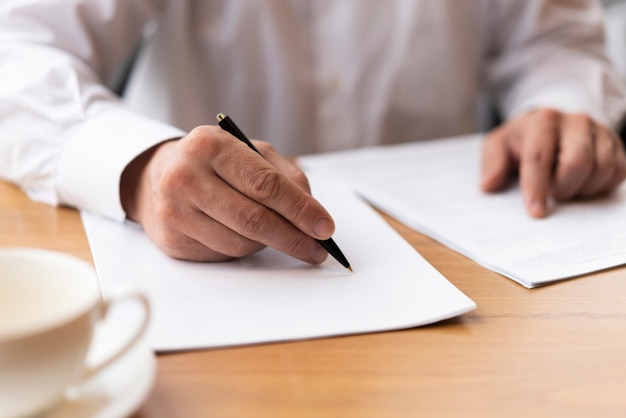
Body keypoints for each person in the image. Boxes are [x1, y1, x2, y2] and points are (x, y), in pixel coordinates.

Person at [1, 0, 625, 265]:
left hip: (460, 254)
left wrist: (559, 105)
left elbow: (555, 40)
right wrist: (140, 168)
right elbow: (16, 50)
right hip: (190, 256)